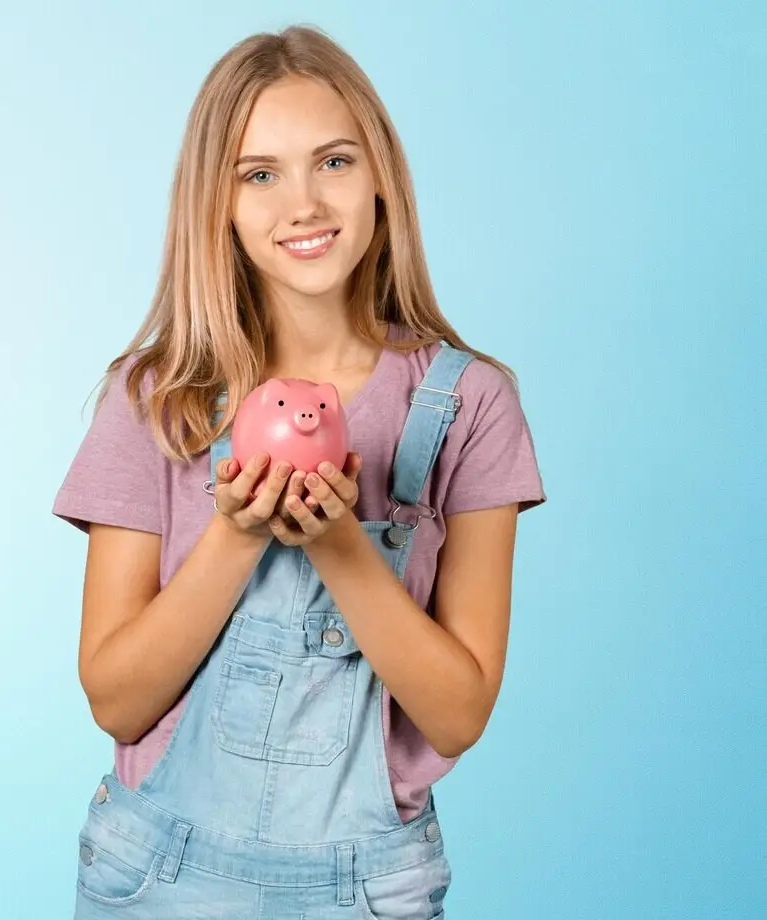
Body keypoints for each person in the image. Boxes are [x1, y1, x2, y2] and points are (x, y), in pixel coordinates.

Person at [51, 24, 546, 919]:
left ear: (381, 180)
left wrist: (342, 545)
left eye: (335, 162)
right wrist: (237, 533)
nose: (304, 204)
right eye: (260, 173)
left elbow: (458, 713)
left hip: (366, 889)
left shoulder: (469, 407)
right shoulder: (156, 400)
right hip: (158, 877)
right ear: (220, 204)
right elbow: (116, 701)